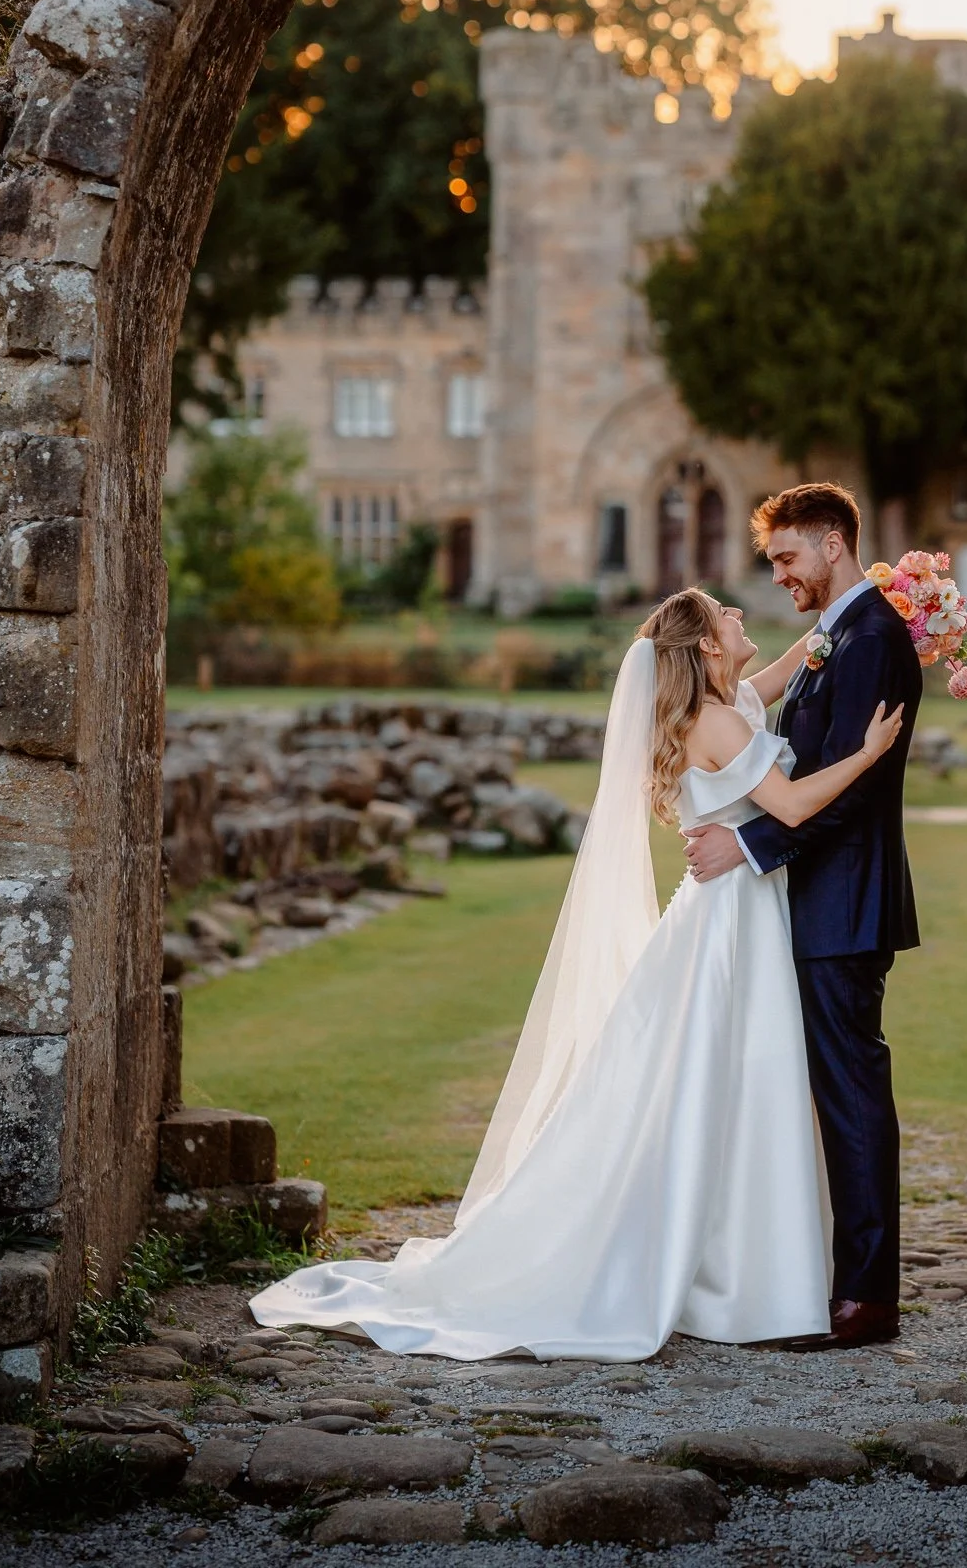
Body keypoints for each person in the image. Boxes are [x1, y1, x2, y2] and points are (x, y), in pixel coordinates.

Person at [248, 583, 903, 1361]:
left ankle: (731, 1267)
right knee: (721, 1083)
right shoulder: (720, 722)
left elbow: (778, 679)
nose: (740, 615)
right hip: (730, 925)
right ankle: (728, 1275)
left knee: (719, 1090)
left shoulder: (719, 709)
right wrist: (866, 755)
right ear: (704, 647)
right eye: (727, 613)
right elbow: (790, 807)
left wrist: (843, 621)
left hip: (728, 913)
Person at [684, 482, 922, 1350]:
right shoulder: (842, 633)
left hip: (843, 904)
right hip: (816, 901)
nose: (780, 577)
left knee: (853, 1100)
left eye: (787, 558)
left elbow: (849, 800)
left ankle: (865, 1299)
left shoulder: (870, 638)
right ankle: (814, 1278)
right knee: (823, 1096)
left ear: (831, 542)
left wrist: (748, 851)